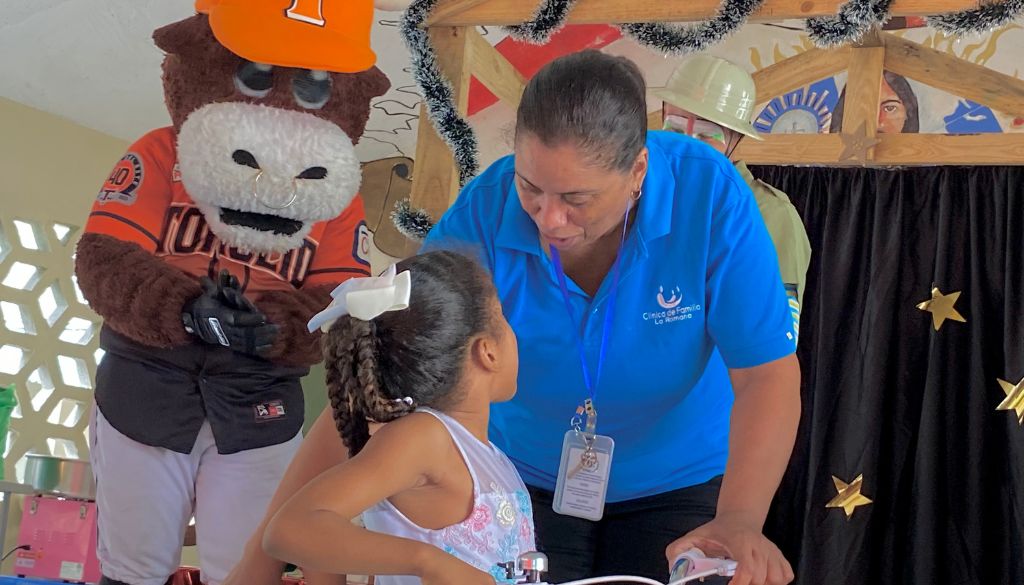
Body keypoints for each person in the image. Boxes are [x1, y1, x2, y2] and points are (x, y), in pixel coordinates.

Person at [226, 50, 800, 585]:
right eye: (531, 186)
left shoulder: (710, 197)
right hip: (518, 483)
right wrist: (258, 564)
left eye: (577, 198)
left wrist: (742, 519)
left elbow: (765, 375)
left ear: (638, 170)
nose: (549, 219)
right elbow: (382, 367)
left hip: (675, 478)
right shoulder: (485, 209)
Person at [261, 250, 535, 585]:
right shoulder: (424, 437)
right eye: (503, 317)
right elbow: (290, 528)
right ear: (487, 351)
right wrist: (427, 563)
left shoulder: (489, 455)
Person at [656, 54, 812, 336]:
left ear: (734, 140)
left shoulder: (770, 214)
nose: (686, 145)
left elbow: (778, 336)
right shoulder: (647, 200)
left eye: (705, 135)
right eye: (675, 128)